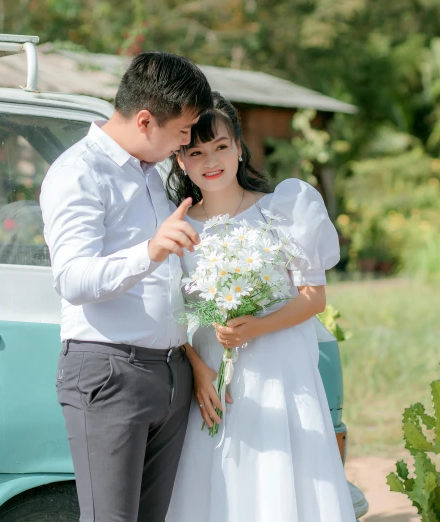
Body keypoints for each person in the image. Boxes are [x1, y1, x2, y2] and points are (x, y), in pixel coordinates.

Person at [165, 93, 357, 522]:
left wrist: (255, 328)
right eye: (196, 152)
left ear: (238, 147)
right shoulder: (175, 225)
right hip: (213, 378)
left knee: (280, 482)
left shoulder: (281, 210)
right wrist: (197, 367)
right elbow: (168, 310)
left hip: (278, 370)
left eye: (220, 146)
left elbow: (315, 297)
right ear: (180, 161)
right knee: (220, 482)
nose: (210, 160)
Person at [40, 51, 213, 522]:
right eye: (182, 131)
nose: (186, 143)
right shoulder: (78, 173)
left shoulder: (151, 174)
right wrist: (149, 252)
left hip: (169, 374)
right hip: (111, 371)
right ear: (144, 120)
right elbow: (73, 279)